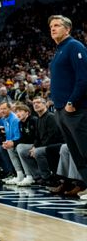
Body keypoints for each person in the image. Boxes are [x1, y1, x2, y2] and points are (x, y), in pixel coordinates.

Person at [47, 14, 87, 188]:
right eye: (51, 27)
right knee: (77, 155)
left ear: (67, 29)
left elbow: (83, 78)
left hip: (75, 110)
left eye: (57, 25)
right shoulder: (59, 50)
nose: (53, 28)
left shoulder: (74, 46)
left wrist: (72, 102)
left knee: (85, 152)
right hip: (61, 111)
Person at [25, 95, 63, 186]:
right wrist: (34, 146)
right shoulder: (38, 119)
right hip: (45, 145)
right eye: (34, 103)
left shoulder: (50, 117)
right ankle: (37, 176)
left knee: (38, 152)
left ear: (45, 104)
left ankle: (47, 178)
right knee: (26, 152)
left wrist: (37, 148)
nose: (36, 105)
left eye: (38, 102)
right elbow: (37, 137)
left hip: (55, 144)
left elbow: (52, 136)